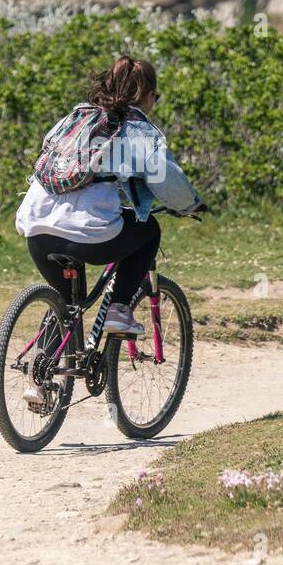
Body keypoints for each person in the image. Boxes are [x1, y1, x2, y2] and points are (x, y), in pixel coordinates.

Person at [15, 57, 203, 399]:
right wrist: (190, 205)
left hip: (37, 227)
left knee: (67, 305)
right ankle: (119, 310)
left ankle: (36, 379)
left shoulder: (73, 118)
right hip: (88, 232)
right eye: (155, 96)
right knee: (148, 231)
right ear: (146, 94)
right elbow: (167, 179)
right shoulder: (134, 127)